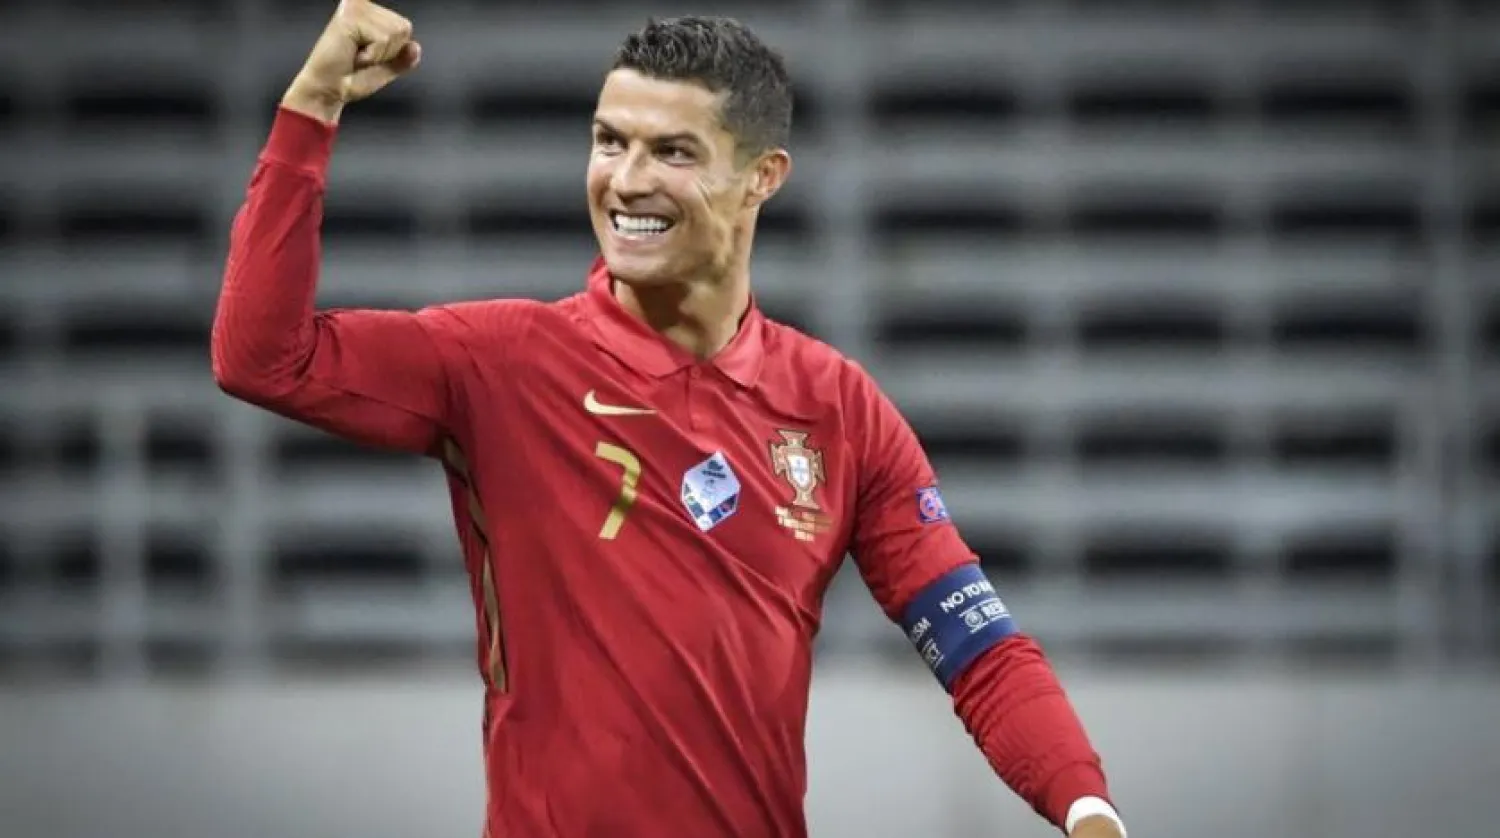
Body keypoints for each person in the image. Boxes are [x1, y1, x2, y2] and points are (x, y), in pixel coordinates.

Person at [211, 3, 1128, 836]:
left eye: (673, 153)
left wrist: (1086, 808)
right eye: (609, 142)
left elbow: (976, 646)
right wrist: (313, 106)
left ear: (762, 177)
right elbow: (262, 358)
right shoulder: (502, 362)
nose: (625, 181)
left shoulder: (838, 409)